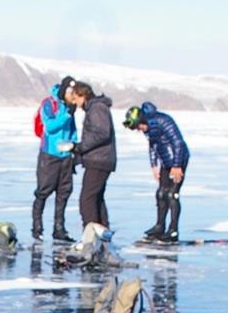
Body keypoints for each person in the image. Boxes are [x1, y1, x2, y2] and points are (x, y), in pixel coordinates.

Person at [124, 102, 190, 243]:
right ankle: (159, 226)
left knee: (173, 194)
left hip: (178, 160)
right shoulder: (148, 128)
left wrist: (177, 165)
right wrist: (154, 165)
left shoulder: (163, 121)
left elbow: (178, 142)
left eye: (137, 126)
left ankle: (173, 230)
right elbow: (153, 145)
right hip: (166, 162)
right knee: (161, 194)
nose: (139, 130)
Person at [32, 76, 79, 243]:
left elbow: (73, 131)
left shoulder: (70, 107)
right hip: (49, 155)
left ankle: (59, 228)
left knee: (64, 192)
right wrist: (66, 115)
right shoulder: (49, 104)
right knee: (43, 191)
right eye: (70, 92)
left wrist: (75, 149)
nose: (73, 95)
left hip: (66, 156)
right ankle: (37, 227)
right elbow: (50, 127)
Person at [66, 80, 116, 237]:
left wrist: (79, 147)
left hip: (99, 160)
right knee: (96, 198)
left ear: (83, 95)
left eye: (76, 99)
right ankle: (103, 233)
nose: (76, 103)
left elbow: (102, 133)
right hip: (99, 159)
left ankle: (91, 234)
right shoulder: (95, 108)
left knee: (87, 199)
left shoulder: (97, 108)